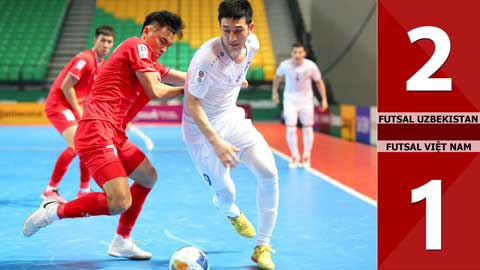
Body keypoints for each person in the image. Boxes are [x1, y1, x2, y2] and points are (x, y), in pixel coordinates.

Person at [23, 11, 186, 260]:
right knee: (120, 201)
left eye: (169, 44)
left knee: (148, 177)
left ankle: (121, 241)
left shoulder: (149, 60)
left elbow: (175, 74)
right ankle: (54, 211)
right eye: (162, 40)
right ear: (147, 32)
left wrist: (218, 80)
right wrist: (195, 90)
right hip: (96, 129)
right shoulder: (137, 46)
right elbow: (156, 90)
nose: (164, 48)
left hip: (114, 132)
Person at [182, 1, 279, 269]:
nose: (232, 38)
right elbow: (193, 105)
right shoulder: (206, 59)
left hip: (231, 116)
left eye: (238, 30)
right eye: (226, 31)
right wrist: (217, 142)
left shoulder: (254, 44)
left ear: (250, 27)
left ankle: (262, 245)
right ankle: (230, 211)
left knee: (268, 172)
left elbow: (238, 68)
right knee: (226, 192)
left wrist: (238, 79)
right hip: (201, 133)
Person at [42, 25, 115, 203]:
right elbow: (66, 86)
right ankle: (50, 190)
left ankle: (83, 190)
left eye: (109, 42)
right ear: (94, 40)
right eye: (102, 40)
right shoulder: (85, 59)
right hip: (59, 106)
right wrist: (80, 112)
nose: (106, 45)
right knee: (77, 146)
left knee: (87, 146)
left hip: (73, 107)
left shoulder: (101, 64)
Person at [272, 43, 328, 168]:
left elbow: (319, 81)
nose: (297, 55)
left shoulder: (311, 66)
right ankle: (294, 156)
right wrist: (275, 93)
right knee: (290, 129)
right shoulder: (285, 65)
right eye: (294, 52)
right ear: (291, 54)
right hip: (290, 99)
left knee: (307, 128)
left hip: (306, 100)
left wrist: (324, 99)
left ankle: (306, 156)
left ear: (304, 53)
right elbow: (277, 78)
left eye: (299, 52)